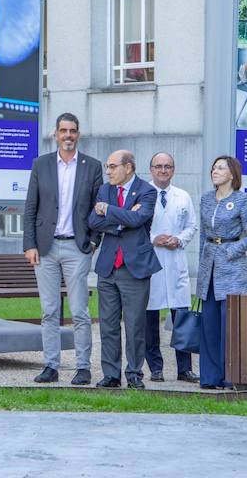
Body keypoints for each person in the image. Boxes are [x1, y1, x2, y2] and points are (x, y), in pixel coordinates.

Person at [23, 112, 103, 385]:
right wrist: (29, 244)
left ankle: (82, 367)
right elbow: (31, 208)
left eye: (72, 131)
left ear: (78, 134)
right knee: (49, 311)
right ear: (55, 134)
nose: (68, 136)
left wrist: (93, 242)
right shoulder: (41, 164)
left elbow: (97, 209)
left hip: (76, 248)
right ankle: (51, 366)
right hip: (45, 248)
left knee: (80, 311)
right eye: (63, 131)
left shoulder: (92, 167)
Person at [88, 150, 161, 389]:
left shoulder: (147, 190)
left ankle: (134, 374)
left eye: (112, 166)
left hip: (135, 268)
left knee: (134, 325)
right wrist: (122, 221)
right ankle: (111, 374)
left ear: (128, 167)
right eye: (107, 167)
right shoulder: (105, 189)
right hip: (108, 267)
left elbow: (139, 219)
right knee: (108, 325)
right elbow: (93, 222)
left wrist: (108, 210)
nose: (107, 171)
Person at [197, 156, 247, 389]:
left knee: (230, 324)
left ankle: (231, 377)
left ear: (232, 174)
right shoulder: (205, 199)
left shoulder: (243, 200)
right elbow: (204, 234)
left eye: (221, 168)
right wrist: (203, 264)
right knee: (209, 323)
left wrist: (232, 250)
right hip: (209, 267)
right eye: (213, 167)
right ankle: (210, 378)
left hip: (232, 268)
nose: (215, 171)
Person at [144, 153, 198, 384]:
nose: (163, 170)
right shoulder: (142, 193)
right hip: (152, 260)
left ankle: (184, 369)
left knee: (182, 318)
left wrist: (180, 239)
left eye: (167, 167)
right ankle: (155, 368)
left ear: (173, 170)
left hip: (175, 260)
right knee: (150, 319)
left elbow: (192, 225)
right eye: (158, 166)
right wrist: (154, 238)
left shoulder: (183, 196)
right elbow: (135, 226)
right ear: (151, 169)